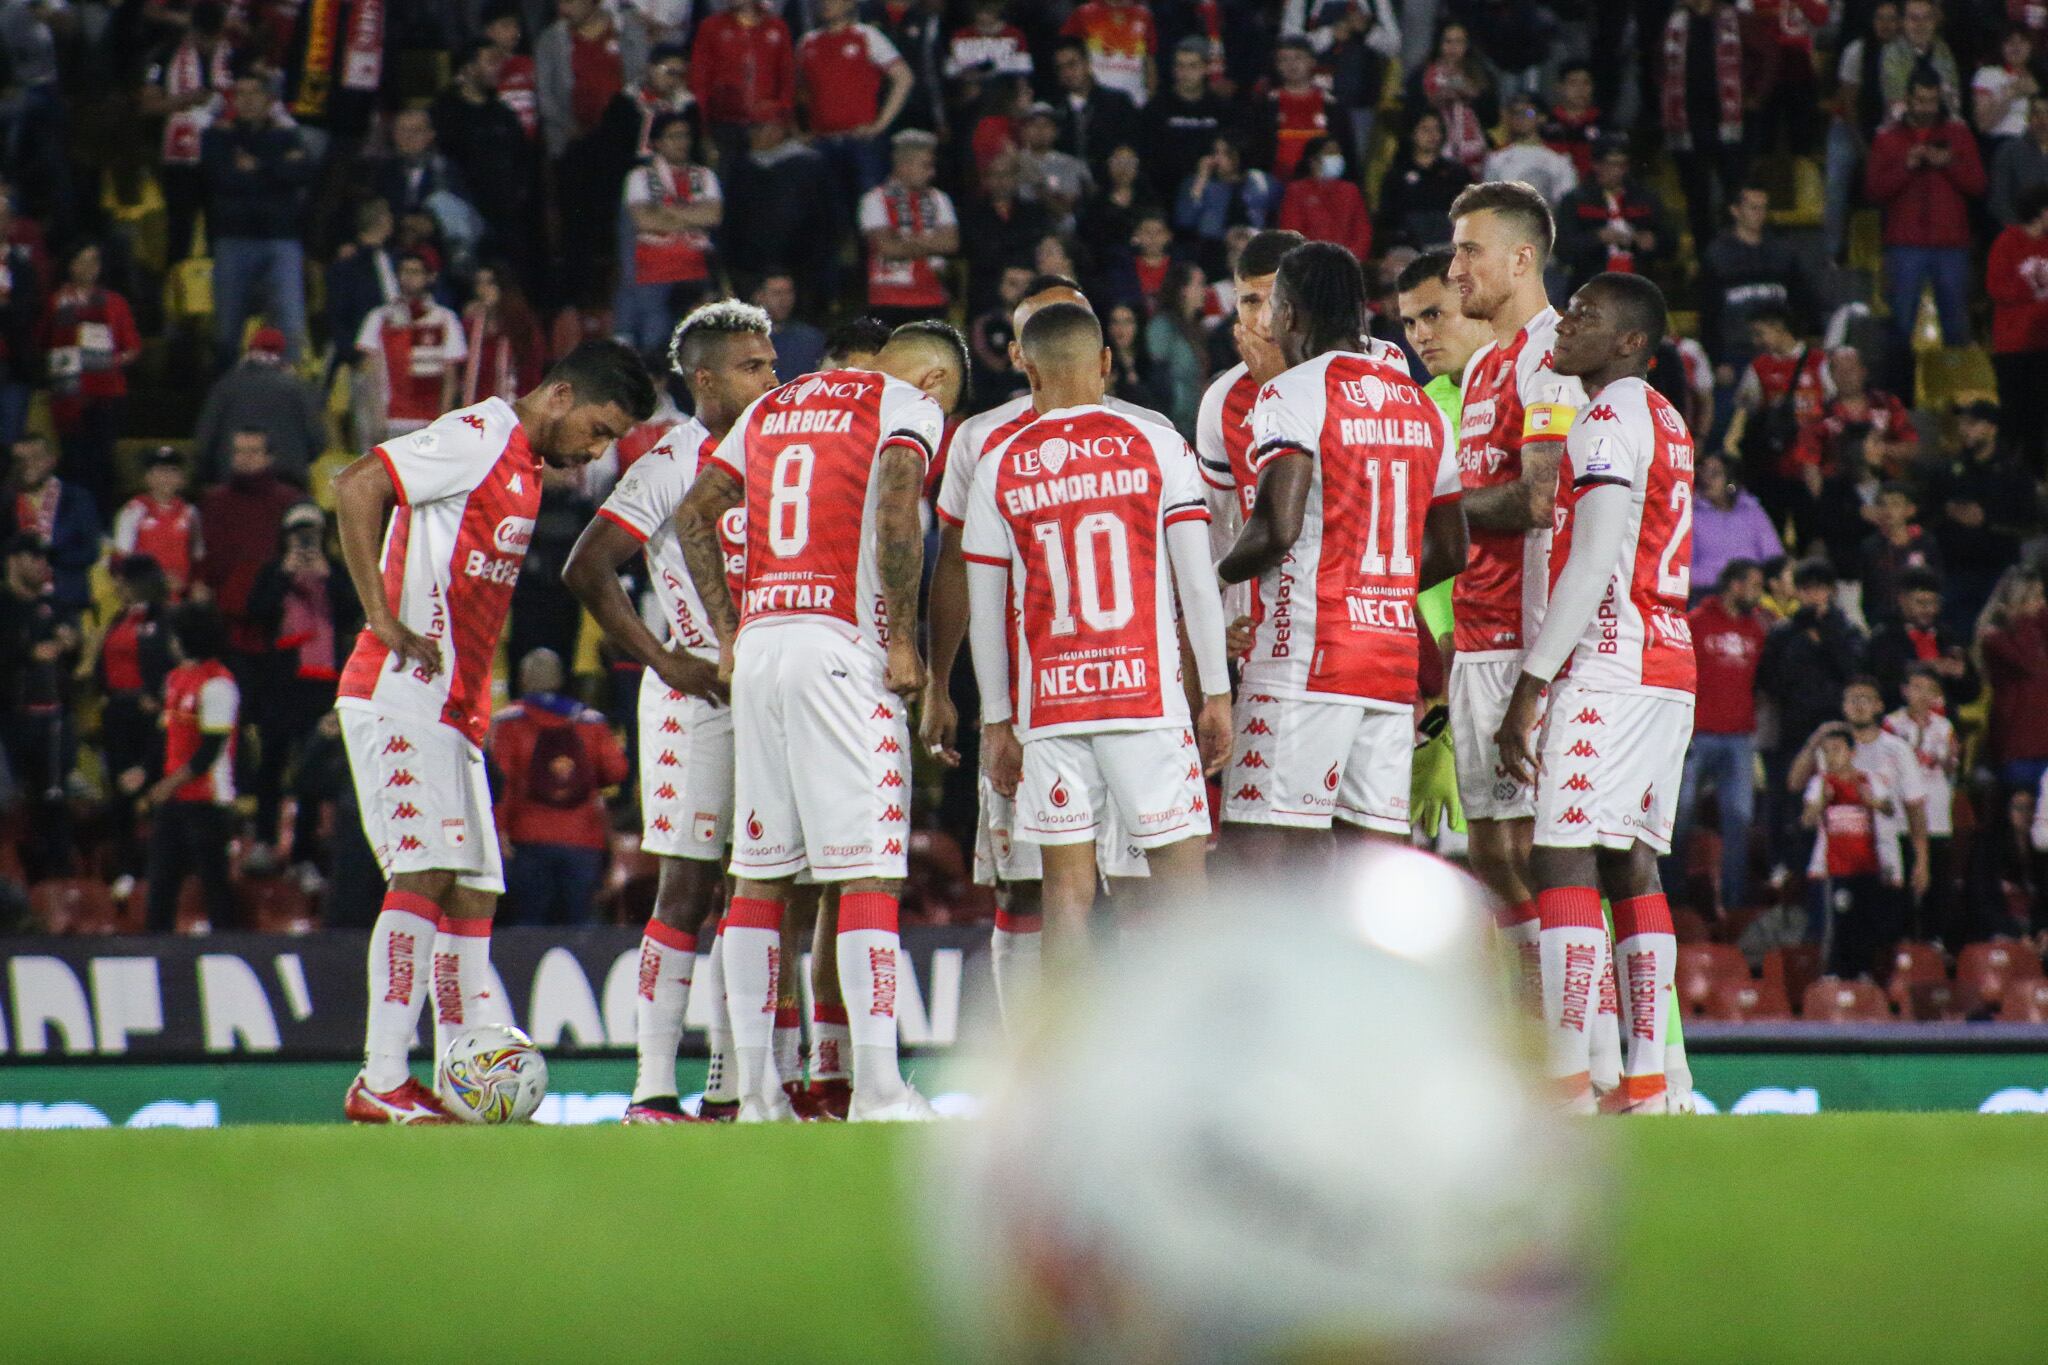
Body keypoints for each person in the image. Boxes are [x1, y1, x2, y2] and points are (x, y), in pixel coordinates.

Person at [332, 339, 656, 1124]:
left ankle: (458, 1079)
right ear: (560, 394)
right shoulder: (482, 433)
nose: (594, 451)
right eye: (599, 429)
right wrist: (379, 616)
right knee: (423, 875)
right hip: (400, 692)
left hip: (458, 710)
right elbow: (358, 483)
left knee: (472, 888)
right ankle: (380, 1077)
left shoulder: (523, 472)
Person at [672, 321, 961, 1122]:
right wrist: (905, 639)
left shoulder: (775, 403)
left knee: (758, 873)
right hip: (841, 648)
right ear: (934, 382)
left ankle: (757, 1091)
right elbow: (900, 502)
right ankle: (876, 1088)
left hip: (761, 648)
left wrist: (730, 635)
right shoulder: (906, 403)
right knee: (867, 871)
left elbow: (695, 515)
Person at [921, 276, 1171, 1028]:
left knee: (1134, 882)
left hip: (1130, 691)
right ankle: (1034, 1070)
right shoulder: (980, 439)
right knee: (1023, 885)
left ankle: (1136, 1059)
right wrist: (944, 682)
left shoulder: (1144, 429)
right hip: (1024, 698)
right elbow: (959, 564)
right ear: (1022, 353)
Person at [562, 300, 781, 1121]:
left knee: (756, 891)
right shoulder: (667, 464)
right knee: (685, 889)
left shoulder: (784, 449)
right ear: (705, 379)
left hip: (772, 699)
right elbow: (588, 567)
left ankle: (729, 1083)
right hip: (697, 703)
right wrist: (665, 659)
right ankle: (653, 1084)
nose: (773, 376)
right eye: (754, 365)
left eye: (770, 361)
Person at [965, 303, 1227, 978]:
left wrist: (998, 719)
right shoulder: (1156, 442)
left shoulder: (1000, 462)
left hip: (1053, 707)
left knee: (1067, 897)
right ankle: (1196, 1060)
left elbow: (987, 606)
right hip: (1144, 698)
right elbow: (1197, 584)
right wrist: (1218, 693)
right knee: (1182, 891)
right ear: (1105, 362)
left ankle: (1063, 1073)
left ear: (1024, 364)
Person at [1494, 271, 1694, 1114]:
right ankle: (1646, 1078)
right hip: (1670, 663)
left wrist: (1530, 685)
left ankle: (1569, 1077)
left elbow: (1591, 557)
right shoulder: (1669, 419)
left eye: (1585, 316)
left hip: (1612, 662)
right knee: (1630, 859)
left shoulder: (1606, 417)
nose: (1564, 323)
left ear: (1627, 344)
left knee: (1562, 852)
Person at [1217, 240, 1466, 851]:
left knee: (1261, 852)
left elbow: (1276, 528)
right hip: (1389, 663)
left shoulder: (1291, 392)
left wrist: (1203, 582)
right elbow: (1453, 549)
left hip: (1304, 653)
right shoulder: (1421, 405)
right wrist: (1374, 588)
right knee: (1371, 861)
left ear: (1291, 317)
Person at [1443, 180, 1588, 988]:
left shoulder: (1548, 350)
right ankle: (1541, 1028)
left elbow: (1539, 497)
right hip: (1477, 627)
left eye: (1471, 249)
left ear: (1522, 256)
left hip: (1528, 633)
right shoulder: (1485, 365)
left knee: (1538, 852)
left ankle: (1585, 1043)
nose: (1456, 267)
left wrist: (1421, 514)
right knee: (1494, 851)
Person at [1787, 678, 1931, 968]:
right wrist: (1815, 740)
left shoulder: (1896, 749)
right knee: (1834, 932)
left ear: (1879, 706)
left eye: (1866, 698)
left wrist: (1922, 860)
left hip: (1883, 856)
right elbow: (1794, 784)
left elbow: (1914, 808)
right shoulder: (1829, 747)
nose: (1858, 704)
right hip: (1833, 860)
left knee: (1878, 935)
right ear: (1843, 706)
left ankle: (1872, 993)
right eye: (1851, 699)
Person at [486, 647, 629, 926]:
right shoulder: (591, 722)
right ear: (561, 680)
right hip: (583, 840)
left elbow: (500, 785)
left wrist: (497, 831)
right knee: (582, 928)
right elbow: (617, 770)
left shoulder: (508, 723)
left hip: (527, 839)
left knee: (529, 926)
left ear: (524, 679)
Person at [245, 502, 359, 846]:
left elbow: (353, 615)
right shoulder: (271, 572)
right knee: (271, 767)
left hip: (321, 687)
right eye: (299, 535)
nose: (306, 542)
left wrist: (327, 578)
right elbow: (257, 615)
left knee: (312, 770)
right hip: (281, 686)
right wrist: (283, 576)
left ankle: (305, 851)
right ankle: (265, 841)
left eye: (312, 534)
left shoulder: (336, 571)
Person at [1866, 73, 1986, 358]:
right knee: (1900, 325)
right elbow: (1873, 191)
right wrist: (1906, 166)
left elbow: (1978, 185)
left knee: (1956, 326)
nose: (1927, 107)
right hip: (1905, 244)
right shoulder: (1888, 138)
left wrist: (1949, 163)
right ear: (1907, 100)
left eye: (1932, 101)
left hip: (1951, 243)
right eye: (1920, 100)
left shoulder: (1959, 136)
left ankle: (1958, 398)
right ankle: (1898, 396)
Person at [201, 71, 314, 368]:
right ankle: (227, 398)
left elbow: (302, 174)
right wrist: (276, 172)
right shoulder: (217, 136)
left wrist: (257, 167)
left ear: (268, 99)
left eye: (255, 93)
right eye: (241, 94)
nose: (248, 100)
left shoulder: (287, 134)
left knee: (290, 325)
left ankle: (289, 396)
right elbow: (222, 179)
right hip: (233, 239)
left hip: (281, 240)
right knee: (227, 331)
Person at [1677, 558, 1770, 914]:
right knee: (1679, 818)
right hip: (1695, 736)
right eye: (1755, 585)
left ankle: (1733, 907)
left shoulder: (1756, 629)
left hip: (1739, 739)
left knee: (1739, 821)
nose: (1759, 594)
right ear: (1734, 585)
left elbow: (1762, 680)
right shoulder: (1696, 624)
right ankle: (1675, 902)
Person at [142, 602, 240, 933]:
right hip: (176, 798)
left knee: (214, 880)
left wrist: (166, 785)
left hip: (208, 799)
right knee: (161, 881)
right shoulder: (174, 680)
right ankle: (156, 945)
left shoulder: (218, 685)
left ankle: (226, 943)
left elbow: (209, 752)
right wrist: (146, 772)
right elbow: (166, 737)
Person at [37, 242, 140, 520]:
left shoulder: (114, 302)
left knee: (101, 464)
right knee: (73, 464)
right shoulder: (55, 302)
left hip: (106, 396)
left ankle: (102, 522)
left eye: (94, 261)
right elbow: (43, 341)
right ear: (70, 265)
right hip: (68, 398)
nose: (88, 268)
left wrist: (105, 363)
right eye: (81, 261)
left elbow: (132, 347)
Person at [0, 532, 78, 880]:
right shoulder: (4, 606)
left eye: (45, 559)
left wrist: (71, 644)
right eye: (34, 557)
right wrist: (27, 654)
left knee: (54, 803)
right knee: (9, 803)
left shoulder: (55, 605)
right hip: (9, 719)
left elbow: (75, 657)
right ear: (14, 561)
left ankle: (57, 883)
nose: (43, 565)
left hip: (53, 719)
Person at [614, 112, 721, 359]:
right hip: (654, 275)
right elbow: (644, 220)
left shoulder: (705, 176)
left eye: (685, 135)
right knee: (656, 345)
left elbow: (713, 216)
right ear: (658, 142)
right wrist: (691, 215)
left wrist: (666, 211)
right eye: (674, 136)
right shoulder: (639, 177)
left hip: (696, 273)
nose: (682, 142)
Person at [797, 0, 914, 221]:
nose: (826, 5)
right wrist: (800, 131)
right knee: (826, 214)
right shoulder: (807, 42)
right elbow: (799, 91)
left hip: (861, 142)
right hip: (823, 142)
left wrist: (880, 124)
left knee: (869, 210)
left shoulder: (867, 36)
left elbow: (903, 77)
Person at [139, 0, 235, 264]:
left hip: (222, 156)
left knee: (221, 229)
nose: (205, 44)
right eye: (200, 37)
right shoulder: (165, 54)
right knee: (180, 227)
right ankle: (175, 290)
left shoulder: (233, 56)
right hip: (180, 158)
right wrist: (185, 100)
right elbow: (147, 105)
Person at [1800, 723, 1898, 979]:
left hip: (1866, 865)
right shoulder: (1820, 784)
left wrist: (1871, 801)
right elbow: (1807, 820)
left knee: (1864, 922)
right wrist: (1822, 800)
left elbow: (1889, 809)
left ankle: (1863, 971)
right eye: (1827, 751)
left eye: (1837, 749)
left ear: (1852, 752)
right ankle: (1833, 972)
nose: (1832, 756)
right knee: (1837, 922)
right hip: (1835, 868)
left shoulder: (1869, 780)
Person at [195, 429, 301, 663]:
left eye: (253, 452)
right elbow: (204, 552)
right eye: (239, 452)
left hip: (277, 611)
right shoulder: (214, 502)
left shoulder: (289, 501)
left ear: (269, 457)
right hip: (226, 613)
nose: (245, 458)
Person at [1660, 0, 1752, 253]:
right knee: (1697, 196)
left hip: (1728, 122)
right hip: (1687, 123)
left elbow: (1766, 55)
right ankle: (1707, 258)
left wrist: (1755, 98)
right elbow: (1657, 65)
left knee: (1734, 191)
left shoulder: (1737, 20)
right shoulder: (1673, 22)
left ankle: (1738, 250)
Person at [355, 249, 467, 443]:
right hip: (391, 419)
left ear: (430, 277)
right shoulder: (380, 317)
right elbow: (369, 370)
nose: (408, 278)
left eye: (415, 272)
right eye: (404, 272)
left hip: (428, 420)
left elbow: (450, 376)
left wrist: (442, 421)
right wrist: (376, 415)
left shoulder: (445, 319)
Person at [193, 327, 326, 484]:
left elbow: (205, 440)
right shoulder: (300, 389)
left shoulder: (225, 386)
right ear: (282, 353)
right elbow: (318, 441)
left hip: (235, 485)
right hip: (288, 488)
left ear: (249, 351)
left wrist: (207, 477)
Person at [1886, 662, 1960, 943]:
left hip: (1937, 813)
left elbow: (1952, 768)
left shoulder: (1944, 726)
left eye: (1928, 689)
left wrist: (1949, 760)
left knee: (1938, 879)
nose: (1922, 694)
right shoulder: (1893, 724)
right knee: (1904, 879)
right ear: (1905, 690)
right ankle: (1902, 940)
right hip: (1903, 815)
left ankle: (1935, 940)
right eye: (1916, 687)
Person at [858, 130, 958, 327]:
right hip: (887, 301)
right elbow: (888, 248)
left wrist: (906, 241)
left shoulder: (940, 199)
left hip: (932, 299)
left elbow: (951, 244)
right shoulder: (874, 199)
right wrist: (930, 243)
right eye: (926, 166)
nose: (932, 173)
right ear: (904, 166)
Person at [687, 0, 791, 174]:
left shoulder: (777, 27)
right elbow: (700, 81)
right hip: (723, 125)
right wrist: (704, 129)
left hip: (764, 127)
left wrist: (781, 118)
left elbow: (787, 79)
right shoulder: (711, 27)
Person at [1553, 139, 1671, 293]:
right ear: (1596, 165)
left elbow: (1670, 240)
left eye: (1621, 165)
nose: (1617, 171)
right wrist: (1597, 238)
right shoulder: (1575, 201)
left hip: (1637, 286)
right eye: (1610, 164)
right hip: (1591, 285)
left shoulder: (1645, 199)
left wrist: (1653, 241)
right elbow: (1563, 249)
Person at [1987, 182, 2048, 468]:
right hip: (2013, 345)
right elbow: (1998, 288)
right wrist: (2035, 292)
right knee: (2013, 416)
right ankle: (2004, 477)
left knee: (2039, 416)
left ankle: (2034, 481)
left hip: (2042, 344)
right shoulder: (2007, 242)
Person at [5, 434, 100, 615]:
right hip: (15, 607)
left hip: (67, 605)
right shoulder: (6, 503)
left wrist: (46, 558)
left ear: (51, 460)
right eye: (20, 460)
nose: (28, 465)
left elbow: (90, 552)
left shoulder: (78, 498)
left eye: (35, 458)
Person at [1144, 35, 1233, 202]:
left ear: (1206, 68)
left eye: (1193, 66)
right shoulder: (1156, 108)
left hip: (1210, 186)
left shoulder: (1221, 109)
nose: (1185, 73)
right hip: (1164, 189)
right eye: (1180, 66)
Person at [1375, 110, 1473, 251]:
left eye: (1436, 129)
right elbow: (1387, 218)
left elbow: (1469, 212)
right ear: (1412, 133)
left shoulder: (1457, 173)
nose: (1432, 135)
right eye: (1425, 129)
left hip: (1449, 245)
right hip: (1407, 248)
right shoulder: (1397, 175)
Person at [1408, 20, 1496, 177]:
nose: (1453, 47)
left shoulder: (1482, 76)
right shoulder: (1421, 76)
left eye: (1459, 41)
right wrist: (1434, 102)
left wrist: (1473, 97)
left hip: (1475, 156)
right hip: (1435, 153)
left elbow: (1492, 118)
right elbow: (1409, 116)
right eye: (1448, 41)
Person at [113, 450, 200, 600]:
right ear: (148, 478)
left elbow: (198, 557)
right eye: (160, 471)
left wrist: (188, 585)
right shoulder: (134, 510)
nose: (166, 478)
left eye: (173, 471)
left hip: (181, 599)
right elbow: (122, 558)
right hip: (145, 597)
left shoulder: (191, 513)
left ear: (181, 478)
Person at [1691, 453, 1783, 596]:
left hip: (1754, 593)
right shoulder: (1691, 514)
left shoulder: (1752, 510)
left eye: (1714, 474)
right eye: (1702, 472)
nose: (1706, 479)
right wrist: (1727, 583)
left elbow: (1773, 557)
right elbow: (1685, 568)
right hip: (1707, 594)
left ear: (1730, 480)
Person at [459, 263, 546, 407]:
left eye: (490, 283)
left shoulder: (522, 325)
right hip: (474, 409)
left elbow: (532, 371)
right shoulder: (469, 325)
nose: (483, 289)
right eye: (479, 283)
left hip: (511, 406)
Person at [1048, 35, 1140, 167]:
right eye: (1060, 68)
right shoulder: (1054, 110)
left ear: (1087, 63)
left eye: (1072, 64)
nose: (1067, 73)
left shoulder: (1118, 103)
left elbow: (1132, 147)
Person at [1277, 135, 1372, 262]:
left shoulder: (1350, 190)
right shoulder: (1297, 190)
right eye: (1330, 153)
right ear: (1313, 160)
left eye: (1338, 153)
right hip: (1309, 264)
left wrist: (1349, 259)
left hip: (1346, 263)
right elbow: (1292, 232)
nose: (1336, 157)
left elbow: (1362, 232)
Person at [1143, 261, 1208, 436]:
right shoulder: (1162, 327)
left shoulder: (1198, 329)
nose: (1205, 290)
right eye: (1199, 284)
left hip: (1194, 424)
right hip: (1171, 424)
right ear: (1183, 290)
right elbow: (1157, 376)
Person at [1259, 35, 1336, 181]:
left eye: (1298, 58)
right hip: (1278, 184)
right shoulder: (1266, 105)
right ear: (1277, 65)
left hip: (1322, 183)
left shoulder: (1331, 105)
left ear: (1312, 62)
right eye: (1284, 59)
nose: (1291, 64)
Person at [1481, 95, 1579, 207]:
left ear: (1542, 117)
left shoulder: (1559, 160)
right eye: (1515, 113)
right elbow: (1488, 202)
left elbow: (1566, 203)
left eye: (1528, 113)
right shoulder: (1496, 159)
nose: (1520, 117)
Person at [1061, 0, 1157, 108]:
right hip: (1095, 105)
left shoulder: (1144, 15)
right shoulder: (1084, 13)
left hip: (1135, 104)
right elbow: (1064, 53)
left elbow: (1150, 60)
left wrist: (1149, 99)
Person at [754, 273, 824, 381]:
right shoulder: (746, 341)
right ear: (759, 296)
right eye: (777, 293)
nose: (784, 299)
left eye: (788, 292)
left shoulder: (810, 339)